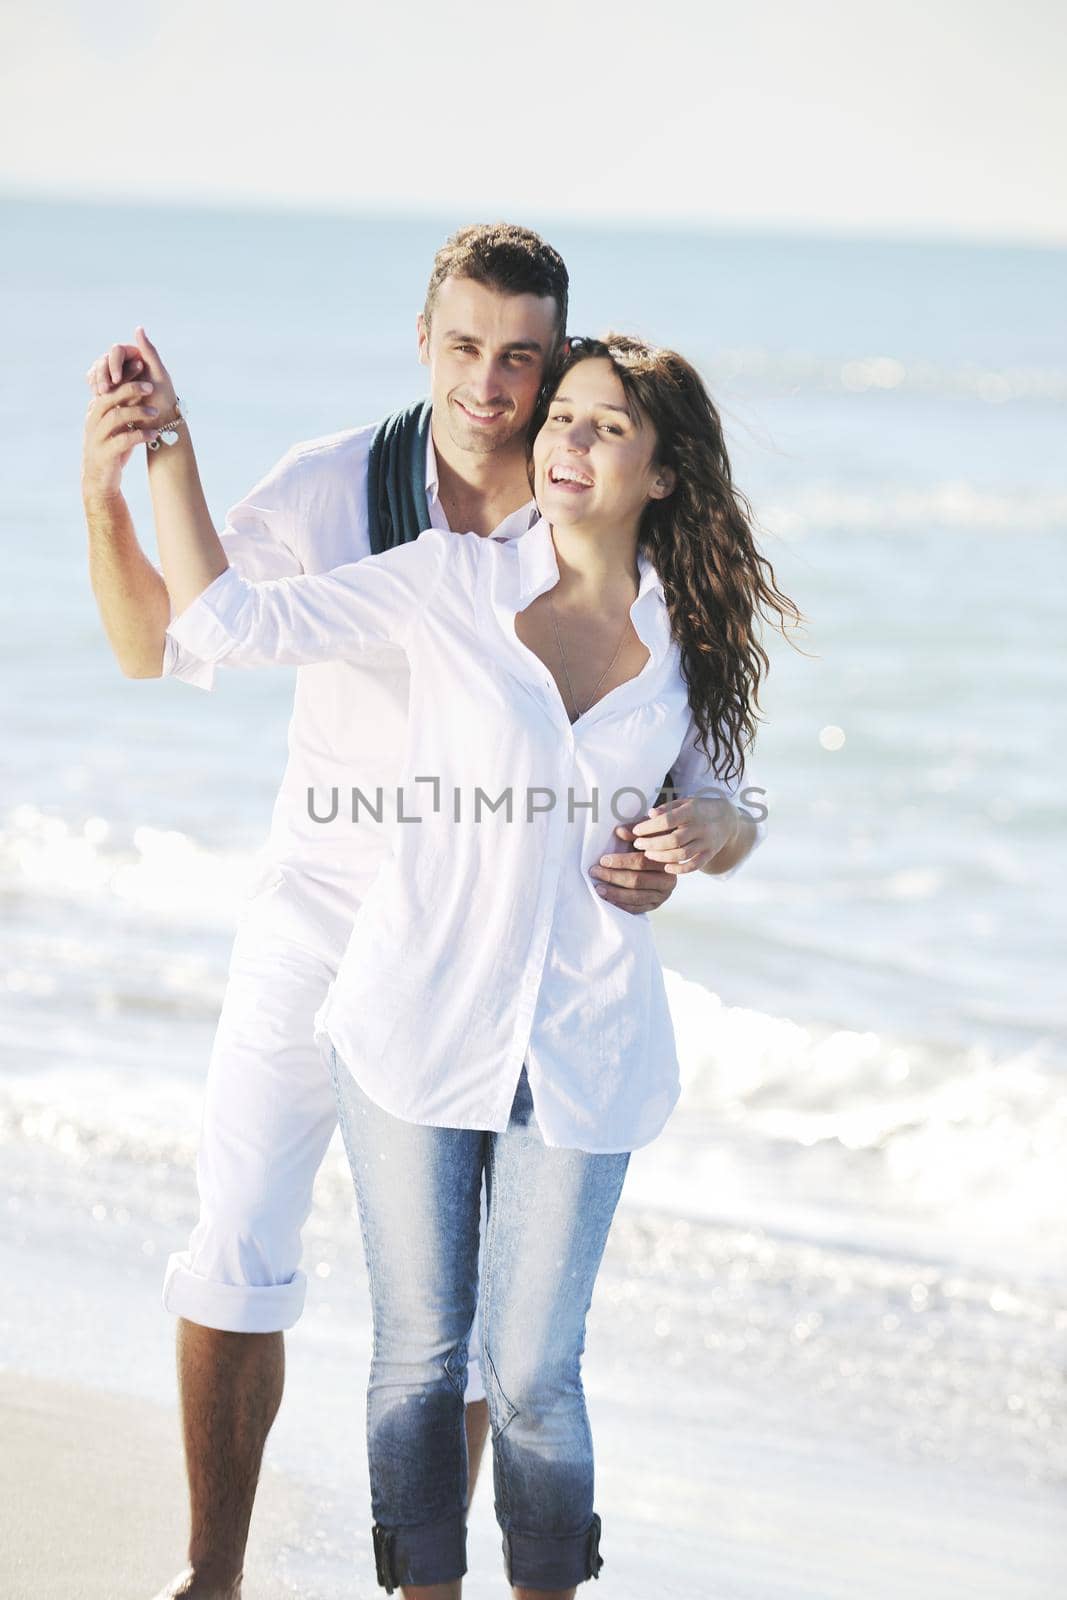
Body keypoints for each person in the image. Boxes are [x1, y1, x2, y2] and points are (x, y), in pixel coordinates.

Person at [140, 327, 798, 1597]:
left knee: (538, 1368)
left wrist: (712, 830)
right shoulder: (448, 579)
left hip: (583, 1043)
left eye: (606, 427)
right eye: (564, 420)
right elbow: (222, 622)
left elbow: (728, 803)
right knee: (419, 1357)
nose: (568, 442)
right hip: (418, 1020)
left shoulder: (687, 626)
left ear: (663, 472)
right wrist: (167, 449)